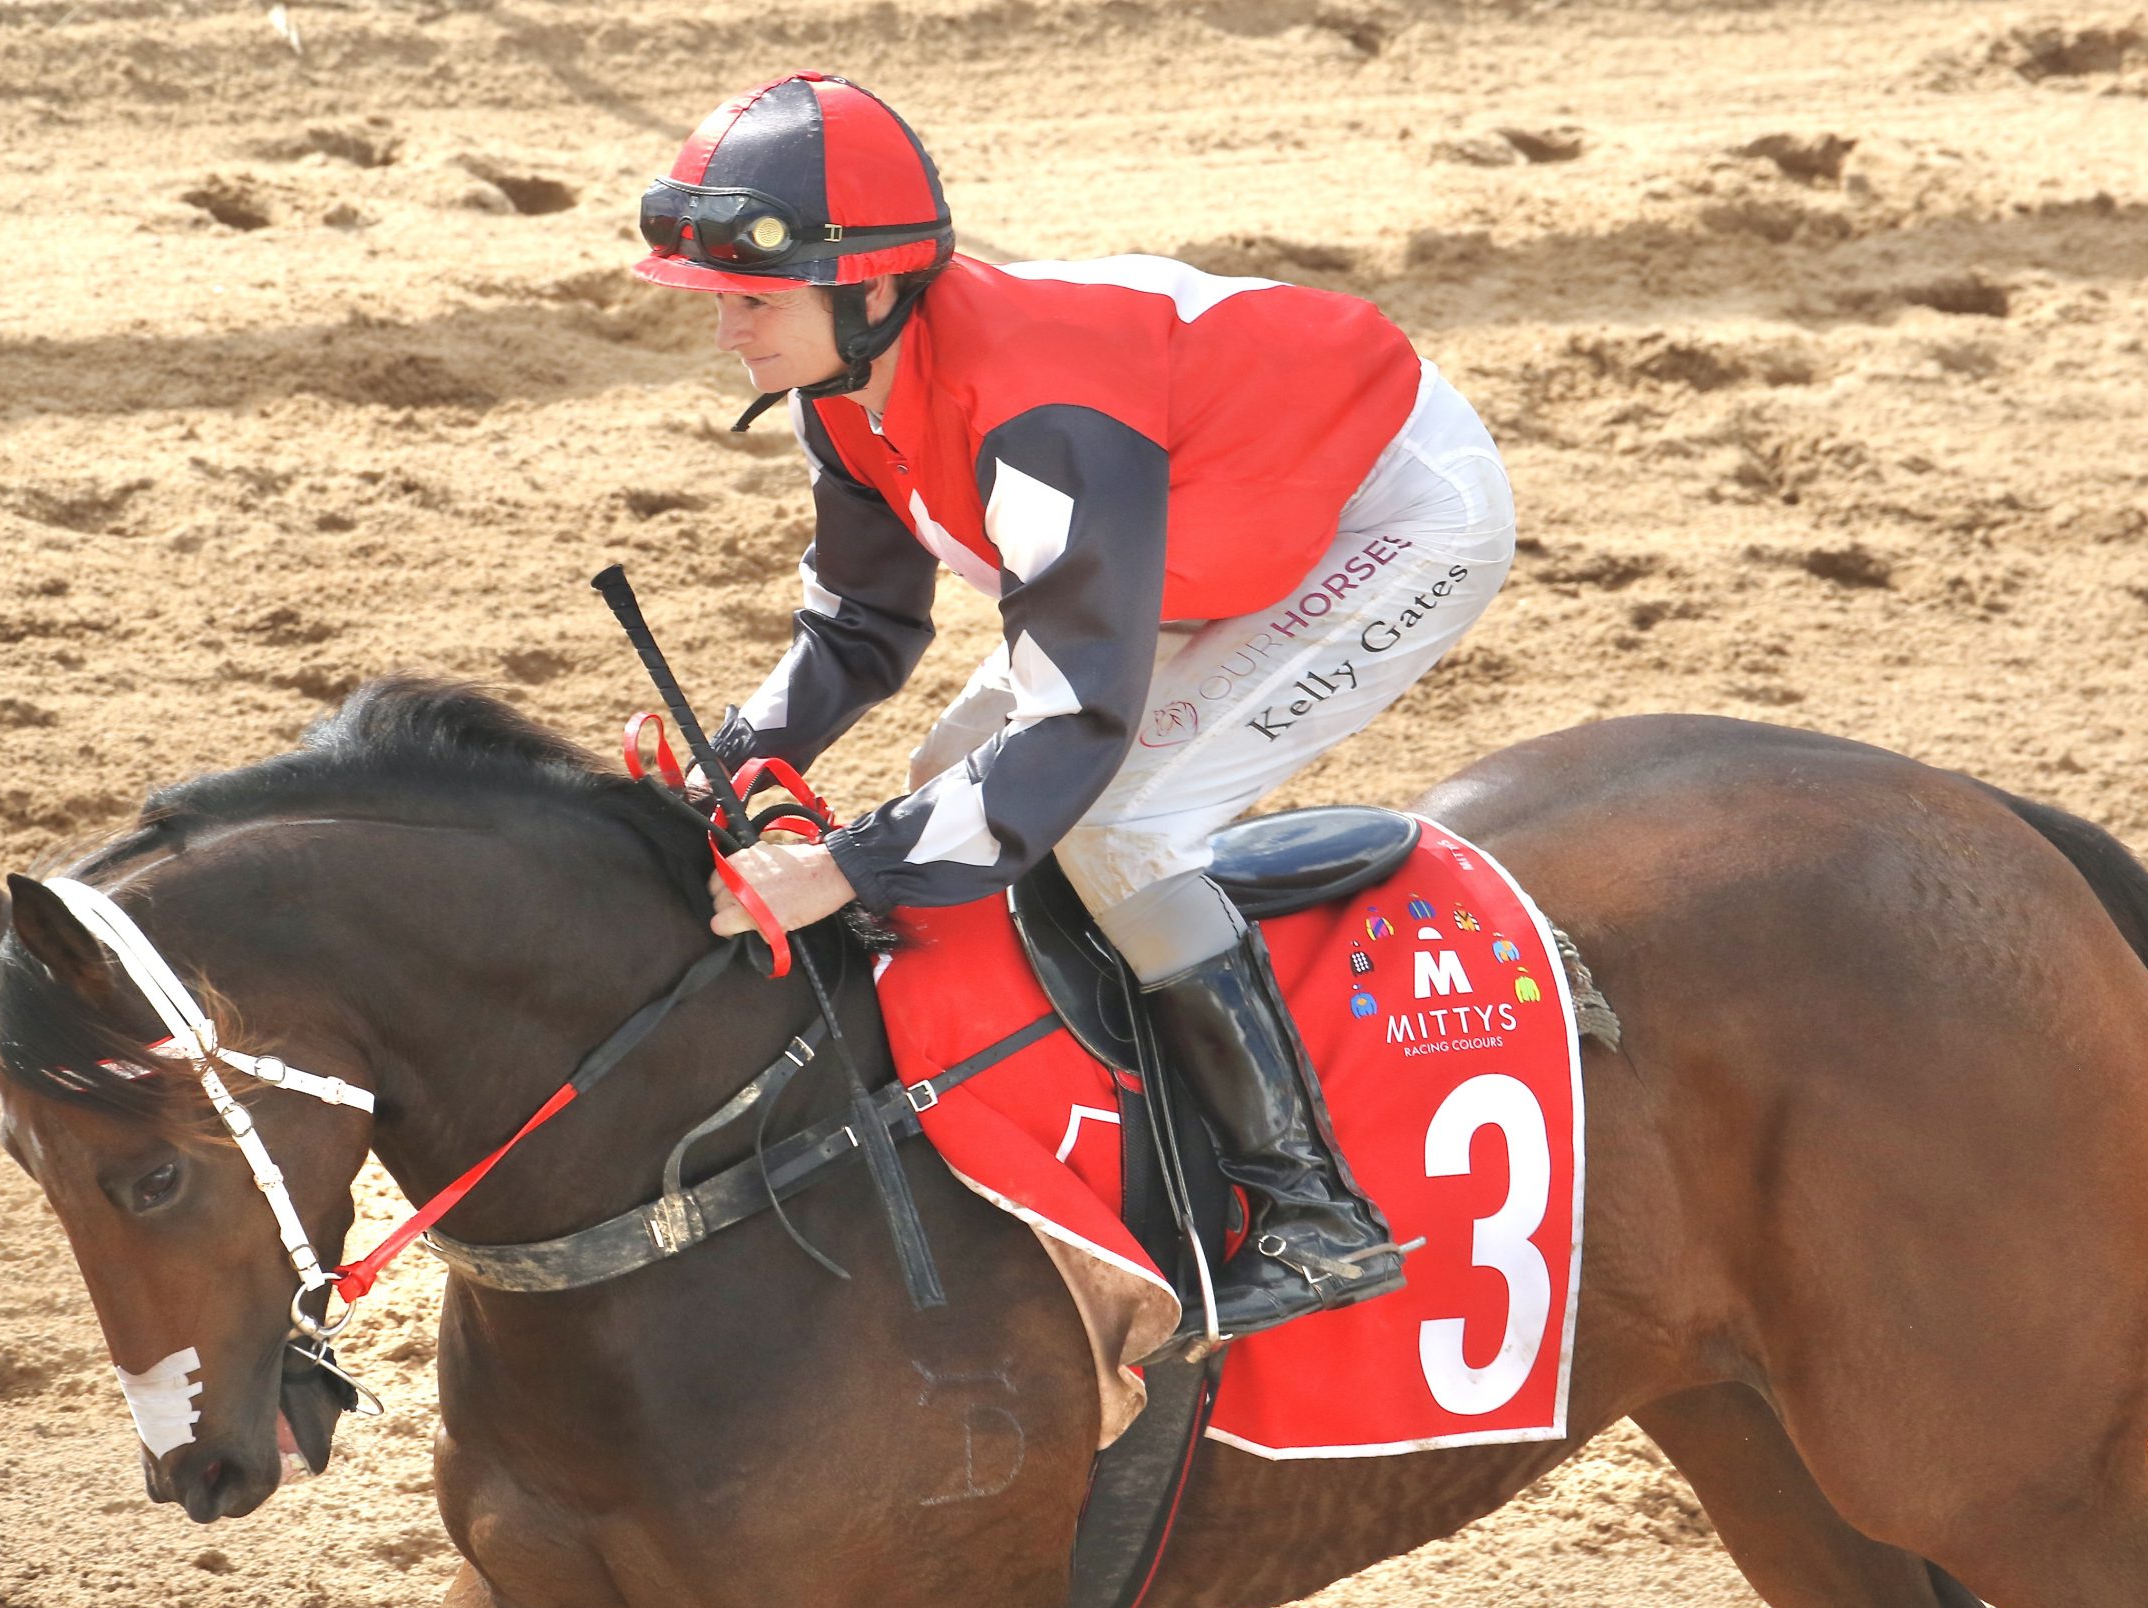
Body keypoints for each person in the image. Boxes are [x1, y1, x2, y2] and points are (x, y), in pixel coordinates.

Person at [634, 72, 1516, 1341]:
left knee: (1114, 820)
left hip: (1382, 516)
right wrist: (723, 763)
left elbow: (1072, 731)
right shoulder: (843, 394)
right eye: (721, 300)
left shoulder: (1038, 413)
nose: (727, 332)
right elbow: (861, 629)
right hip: (1191, 520)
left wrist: (840, 866)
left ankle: (1314, 1215)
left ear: (870, 290)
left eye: (754, 300)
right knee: (947, 775)